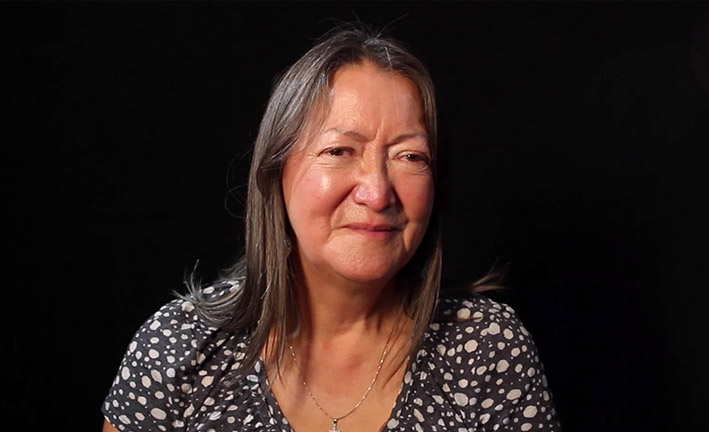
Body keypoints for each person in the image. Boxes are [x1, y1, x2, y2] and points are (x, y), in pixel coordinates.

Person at [102, 25, 561, 432]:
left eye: (410, 157)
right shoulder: (181, 345)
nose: (378, 192)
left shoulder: (486, 348)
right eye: (340, 150)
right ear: (275, 172)